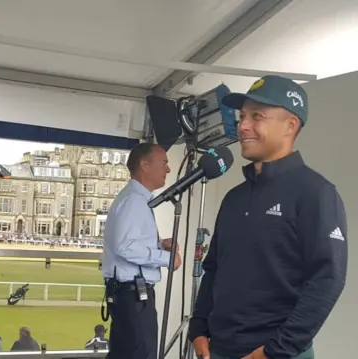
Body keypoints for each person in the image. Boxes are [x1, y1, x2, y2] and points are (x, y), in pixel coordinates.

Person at [188, 75, 348, 359]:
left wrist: (276, 350)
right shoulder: (233, 198)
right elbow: (212, 268)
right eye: (242, 117)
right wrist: (198, 329)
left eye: (256, 116)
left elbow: (327, 279)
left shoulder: (316, 193)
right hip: (219, 349)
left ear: (290, 125)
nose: (243, 126)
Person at [102, 142, 180, 359]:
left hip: (128, 293)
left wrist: (160, 243)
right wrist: (167, 258)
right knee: (140, 354)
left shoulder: (134, 198)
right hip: (133, 294)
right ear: (145, 165)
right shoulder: (135, 201)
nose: (168, 169)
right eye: (164, 163)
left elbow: (128, 241)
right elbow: (124, 246)